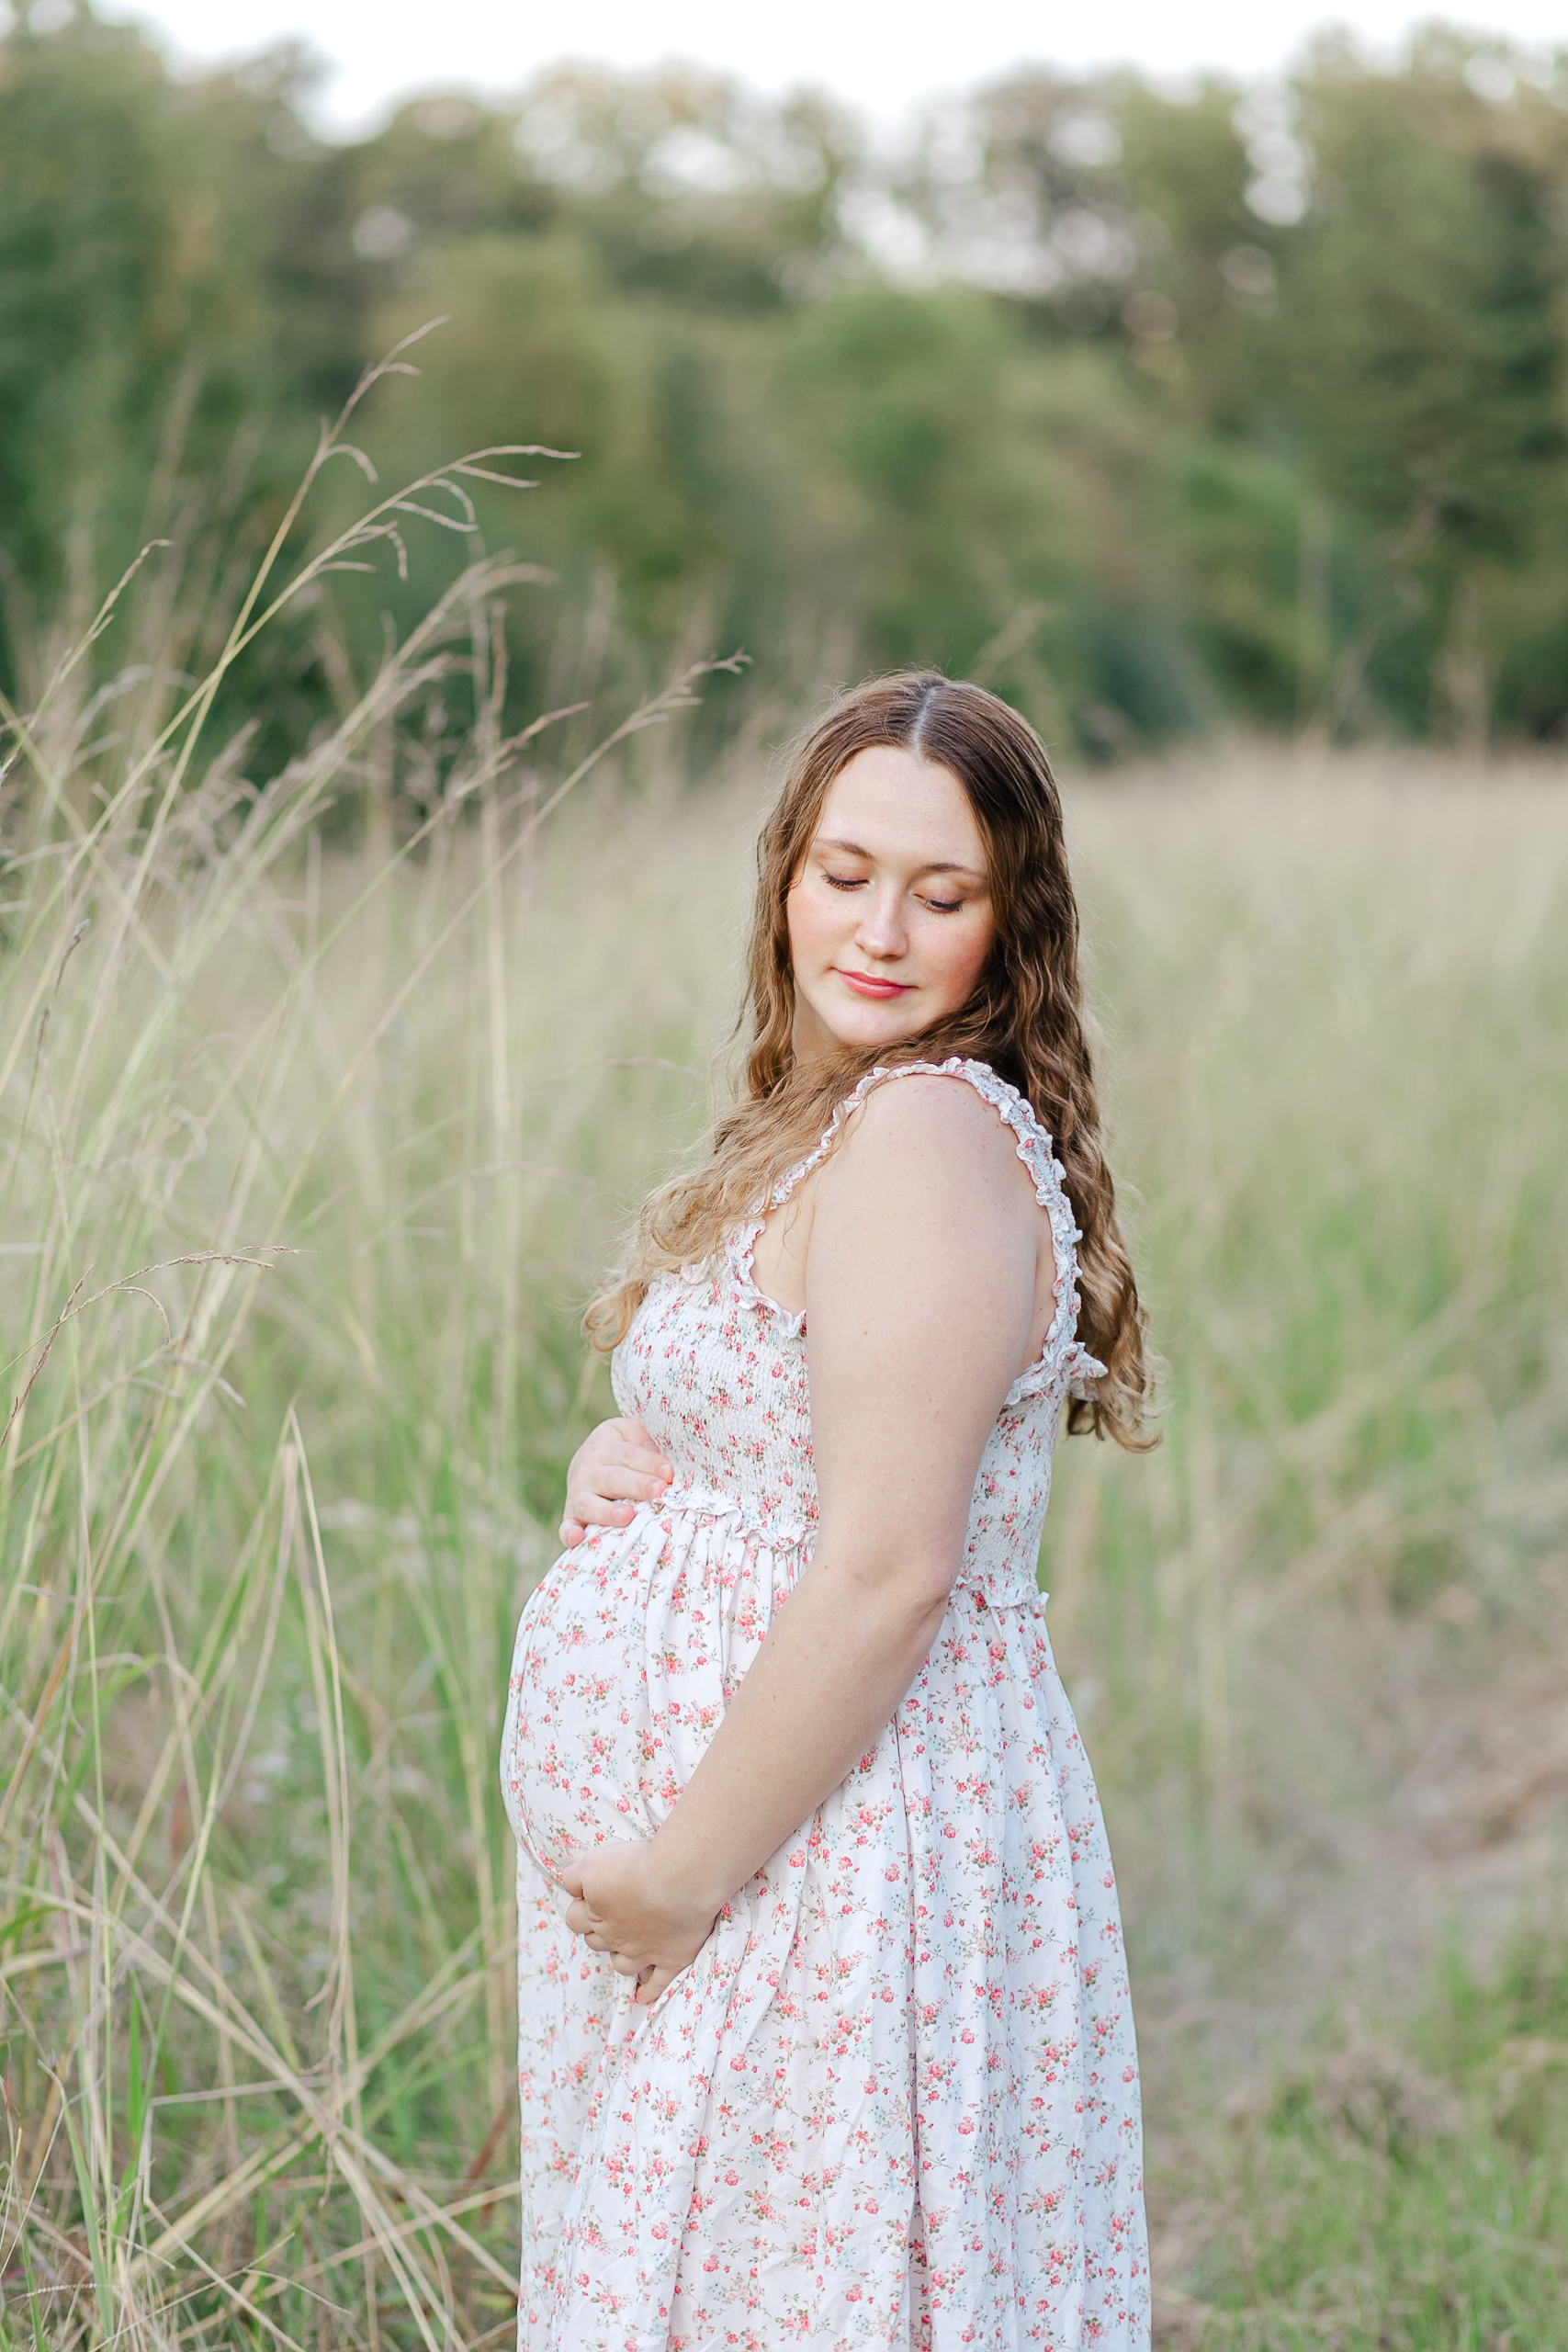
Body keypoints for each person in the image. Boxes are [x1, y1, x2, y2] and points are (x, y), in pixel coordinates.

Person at [500, 672, 1156, 2351]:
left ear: (1011, 925)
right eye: (843, 872)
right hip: (772, 1843)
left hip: (829, 1851)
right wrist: (644, 1465)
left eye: (941, 895)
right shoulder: (842, 1118)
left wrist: (681, 1876)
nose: (877, 928)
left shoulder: (928, 1137)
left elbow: (887, 1567)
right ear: (785, 870)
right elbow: (811, 1442)